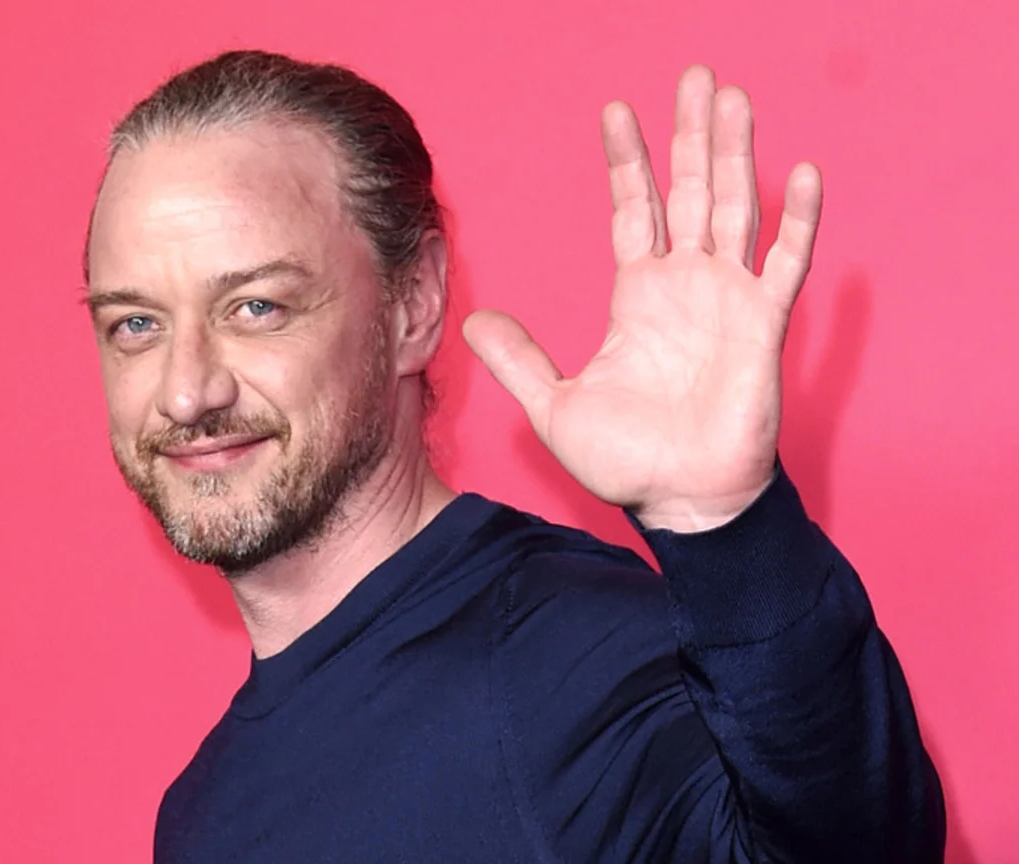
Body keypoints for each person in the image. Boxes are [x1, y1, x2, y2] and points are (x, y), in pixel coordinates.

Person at [81, 49, 946, 863]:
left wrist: (724, 527)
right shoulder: (200, 812)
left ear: (413, 304)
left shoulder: (571, 657)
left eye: (256, 307)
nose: (187, 392)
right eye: (136, 324)